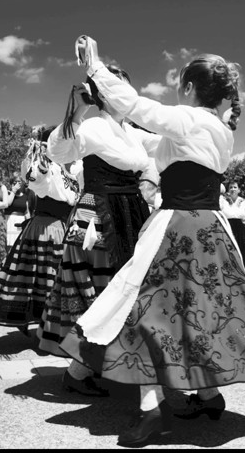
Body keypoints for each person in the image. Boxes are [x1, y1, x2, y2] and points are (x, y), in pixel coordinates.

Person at [58, 38, 245, 447]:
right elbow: (149, 144)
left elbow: (140, 108)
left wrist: (94, 67)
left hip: (179, 227)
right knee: (199, 310)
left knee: (147, 312)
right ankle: (208, 394)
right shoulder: (215, 129)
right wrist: (115, 124)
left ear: (190, 88)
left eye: (181, 83)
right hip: (209, 228)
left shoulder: (190, 119)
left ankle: (151, 412)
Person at [36, 64, 153, 398]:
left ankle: (94, 367)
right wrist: (77, 110)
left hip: (131, 212)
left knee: (124, 290)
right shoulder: (92, 126)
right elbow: (58, 152)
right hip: (99, 215)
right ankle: (79, 370)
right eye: (117, 89)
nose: (126, 96)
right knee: (103, 292)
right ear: (102, 94)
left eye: (128, 89)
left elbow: (156, 156)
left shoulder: (132, 131)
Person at [0, 133, 80, 336]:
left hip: (59, 228)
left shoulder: (72, 172)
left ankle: (47, 324)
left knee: (45, 277)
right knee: (39, 277)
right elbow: (32, 176)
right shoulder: (47, 168)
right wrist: (36, 152)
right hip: (45, 229)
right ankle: (40, 323)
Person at [221, 181, 245, 274]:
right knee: (227, 245)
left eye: (235, 187)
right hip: (227, 224)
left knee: (242, 245)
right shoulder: (223, 200)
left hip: (240, 224)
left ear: (239, 190)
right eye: (231, 187)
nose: (233, 189)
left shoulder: (244, 202)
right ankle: (228, 266)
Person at [4, 171, 29, 253]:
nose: (17, 184)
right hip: (10, 221)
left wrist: (28, 223)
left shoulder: (25, 196)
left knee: (19, 245)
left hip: (20, 221)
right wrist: (13, 191)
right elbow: (8, 203)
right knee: (9, 245)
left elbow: (26, 211)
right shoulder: (8, 193)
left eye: (19, 182)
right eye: (15, 182)